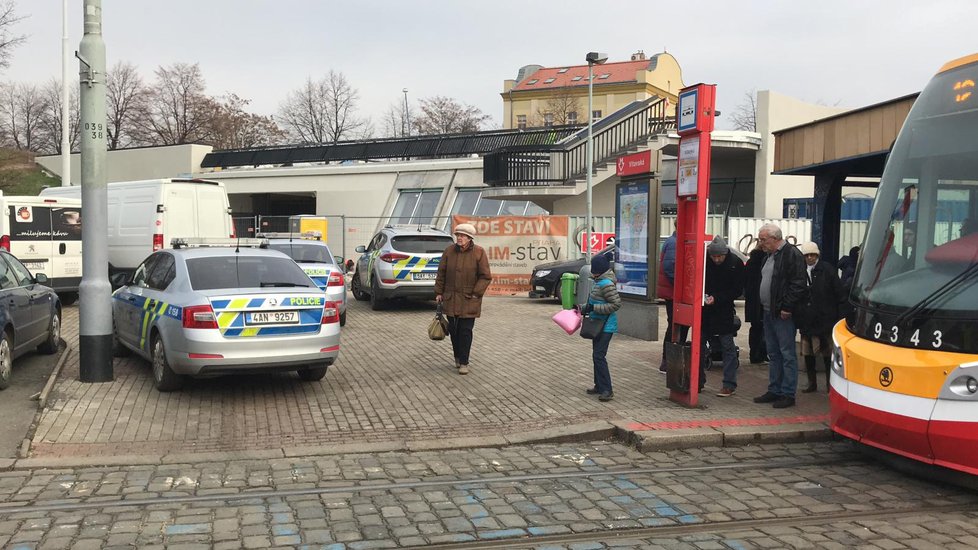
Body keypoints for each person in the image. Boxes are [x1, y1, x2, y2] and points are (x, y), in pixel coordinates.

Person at [752, 223, 808, 409]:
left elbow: (798, 284)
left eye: (763, 240)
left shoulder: (791, 254)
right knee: (773, 353)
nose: (761, 243)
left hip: (783, 313)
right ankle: (774, 389)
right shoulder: (769, 256)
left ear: (775, 238)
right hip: (769, 311)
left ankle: (787, 393)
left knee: (787, 354)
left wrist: (787, 307)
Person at [434, 223, 493, 375]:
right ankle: (457, 357)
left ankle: (464, 362)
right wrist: (439, 292)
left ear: (469, 238)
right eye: (458, 235)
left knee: (465, 331)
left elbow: (485, 276)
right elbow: (441, 273)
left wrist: (476, 293)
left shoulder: (479, 252)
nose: (459, 238)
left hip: (469, 299)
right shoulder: (449, 251)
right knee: (454, 330)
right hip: (451, 297)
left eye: (463, 236)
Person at [795, 242, 847, 393]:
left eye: (813, 255)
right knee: (808, 354)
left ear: (817, 255)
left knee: (827, 354)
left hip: (826, 319)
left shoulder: (828, 270)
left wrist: (839, 317)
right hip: (807, 319)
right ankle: (812, 384)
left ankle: (829, 385)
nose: (810, 258)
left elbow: (839, 293)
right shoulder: (800, 271)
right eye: (807, 255)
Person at [702, 236, 745, 397]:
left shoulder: (735, 263)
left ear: (725, 253)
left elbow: (737, 289)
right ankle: (698, 380)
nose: (716, 259)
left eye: (719, 256)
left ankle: (729, 384)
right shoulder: (705, 262)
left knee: (727, 346)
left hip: (724, 310)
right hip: (706, 311)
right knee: (700, 344)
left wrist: (718, 298)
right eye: (713, 256)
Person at [581, 254, 622, 402]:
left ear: (599, 270)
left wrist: (594, 307)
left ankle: (607, 389)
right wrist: (583, 308)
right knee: (596, 356)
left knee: (599, 356)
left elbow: (616, 305)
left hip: (606, 326)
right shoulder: (599, 282)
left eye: (594, 269)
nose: (592, 271)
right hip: (597, 325)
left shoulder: (606, 284)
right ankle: (598, 385)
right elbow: (595, 301)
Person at [656, 229, 687, 373]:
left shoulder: (672, 241)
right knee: (676, 326)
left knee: (676, 325)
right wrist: (682, 288)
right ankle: (668, 361)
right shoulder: (674, 243)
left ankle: (671, 360)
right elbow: (670, 269)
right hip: (674, 293)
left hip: (671, 292)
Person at [744, 241, 769, 364]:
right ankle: (762, 354)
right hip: (763, 300)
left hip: (752, 301)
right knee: (764, 329)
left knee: (755, 328)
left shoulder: (750, 262)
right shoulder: (766, 262)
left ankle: (753, 354)